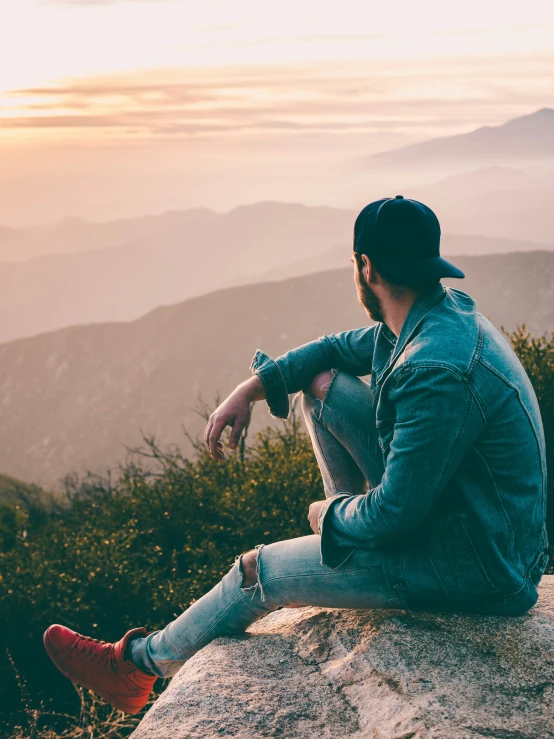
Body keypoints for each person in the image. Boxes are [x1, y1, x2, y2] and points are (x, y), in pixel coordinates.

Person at [44, 195, 549, 715]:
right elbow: (330, 352)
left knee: (256, 572)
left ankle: (136, 667)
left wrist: (330, 517)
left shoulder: (433, 370)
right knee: (324, 386)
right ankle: (353, 550)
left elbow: (398, 511)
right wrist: (251, 388)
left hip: (475, 568)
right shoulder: (437, 317)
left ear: (365, 266)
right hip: (472, 525)